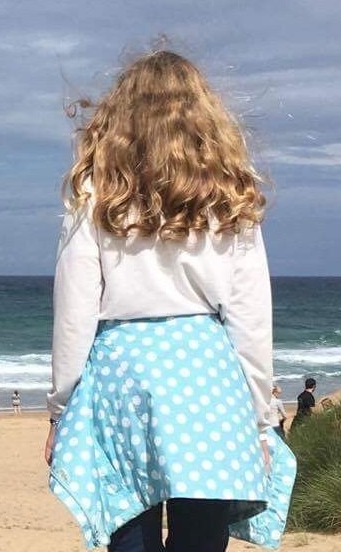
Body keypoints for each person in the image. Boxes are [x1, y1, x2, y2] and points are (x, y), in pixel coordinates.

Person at [43, 49, 295, 552]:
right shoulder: (229, 193)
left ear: (118, 118)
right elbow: (249, 317)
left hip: (122, 375)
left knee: (126, 526)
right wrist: (261, 421)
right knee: (200, 538)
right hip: (208, 376)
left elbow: (74, 312)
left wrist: (61, 412)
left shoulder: (95, 191)